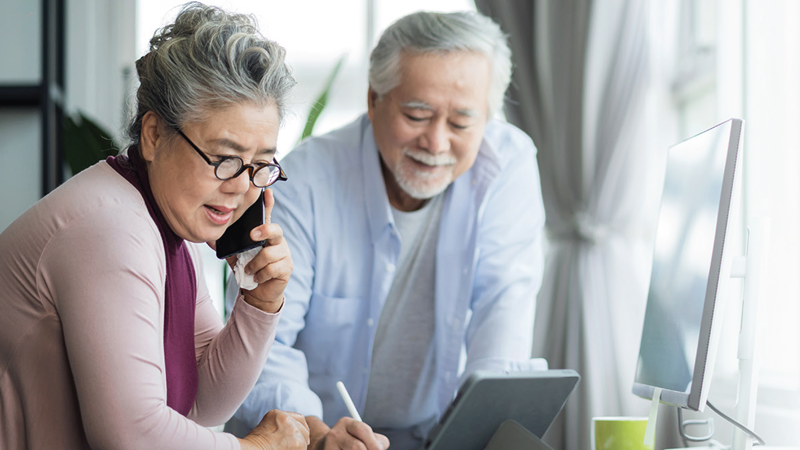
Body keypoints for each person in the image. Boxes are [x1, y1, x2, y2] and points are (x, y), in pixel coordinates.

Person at [225, 10, 546, 450]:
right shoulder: (305, 183)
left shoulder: (508, 166)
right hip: (314, 438)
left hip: (435, 437)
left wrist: (488, 430)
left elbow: (503, 310)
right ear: (374, 100)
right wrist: (318, 437)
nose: (435, 143)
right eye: (417, 114)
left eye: (460, 123)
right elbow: (263, 345)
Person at [0, 3, 308, 449]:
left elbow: (203, 403)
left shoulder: (165, 228)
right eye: (224, 159)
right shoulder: (110, 228)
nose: (242, 188)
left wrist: (259, 304)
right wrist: (256, 447)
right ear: (153, 135)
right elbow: (131, 434)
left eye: (260, 165)